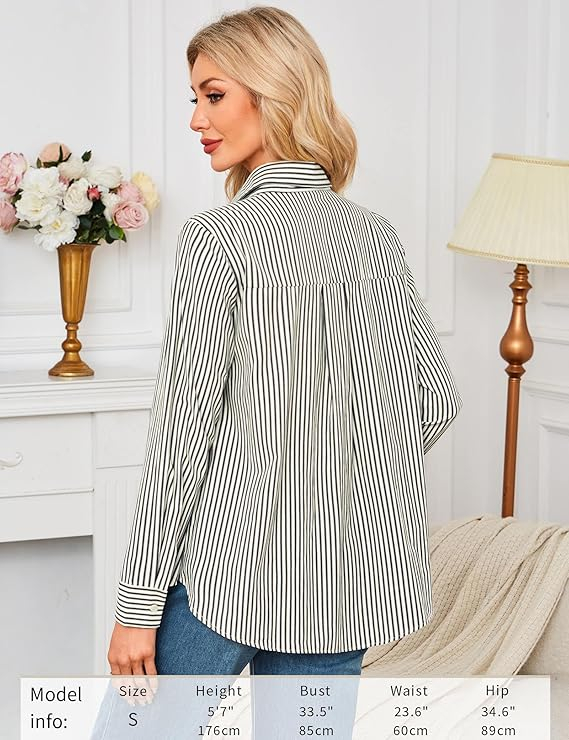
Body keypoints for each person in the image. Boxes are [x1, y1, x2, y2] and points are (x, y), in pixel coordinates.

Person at [100, 4, 462, 737]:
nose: (197, 119)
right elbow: (435, 399)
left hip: (228, 572)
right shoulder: (372, 236)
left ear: (274, 92)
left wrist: (137, 607)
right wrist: (338, 476)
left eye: (214, 95)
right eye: (194, 98)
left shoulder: (218, 237)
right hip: (343, 582)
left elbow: (181, 441)